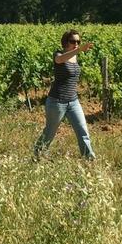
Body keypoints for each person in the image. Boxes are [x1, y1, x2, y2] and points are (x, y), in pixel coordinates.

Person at [33, 29, 96, 160]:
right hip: (57, 101)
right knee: (50, 132)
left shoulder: (75, 56)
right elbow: (60, 60)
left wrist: (77, 51)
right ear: (65, 42)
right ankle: (38, 155)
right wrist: (79, 50)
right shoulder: (59, 54)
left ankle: (89, 159)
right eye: (73, 41)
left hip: (73, 101)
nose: (76, 44)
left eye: (78, 41)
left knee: (82, 130)